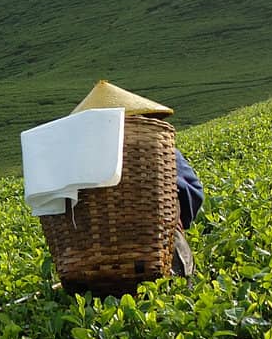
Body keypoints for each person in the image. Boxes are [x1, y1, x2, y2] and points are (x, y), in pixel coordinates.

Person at [71, 80, 205, 274]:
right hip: (160, 247)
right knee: (172, 298)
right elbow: (194, 191)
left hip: (92, 262)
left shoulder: (75, 162)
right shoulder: (159, 149)